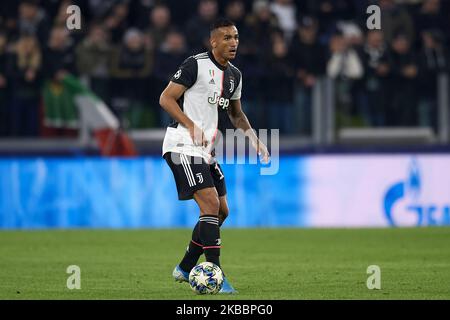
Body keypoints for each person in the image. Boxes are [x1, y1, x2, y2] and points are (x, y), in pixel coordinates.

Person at [159, 18, 270, 294]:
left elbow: (235, 114)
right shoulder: (194, 64)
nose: (233, 43)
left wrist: (255, 140)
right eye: (227, 38)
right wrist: (191, 125)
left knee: (221, 211)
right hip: (182, 145)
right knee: (209, 204)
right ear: (213, 41)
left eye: (235, 37)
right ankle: (215, 275)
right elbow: (166, 99)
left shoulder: (234, 76)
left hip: (206, 151)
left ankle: (185, 266)